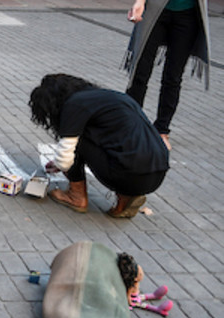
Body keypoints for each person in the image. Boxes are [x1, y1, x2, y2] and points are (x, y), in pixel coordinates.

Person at [29, 73, 170, 218]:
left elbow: (66, 159)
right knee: (117, 148)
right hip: (158, 172)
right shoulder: (110, 97)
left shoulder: (74, 104)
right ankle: (125, 199)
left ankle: (76, 196)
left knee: (77, 138)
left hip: (128, 173)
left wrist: (61, 163)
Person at [124, 0, 224, 150]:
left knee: (173, 76)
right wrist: (139, 2)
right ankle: (130, 125)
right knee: (140, 71)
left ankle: (162, 129)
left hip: (188, 16)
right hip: (155, 10)